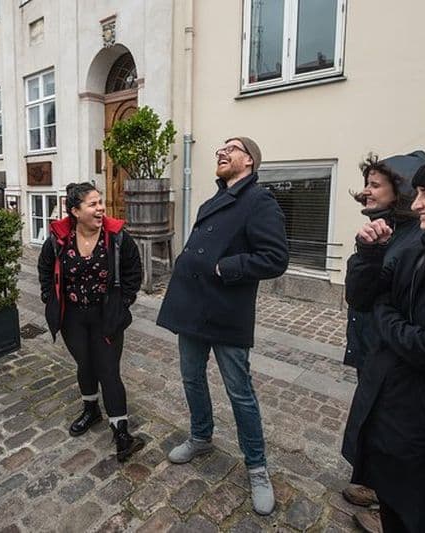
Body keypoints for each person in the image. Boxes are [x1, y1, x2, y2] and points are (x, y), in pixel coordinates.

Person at [343, 146, 425, 533]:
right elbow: (363, 297)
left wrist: (385, 311)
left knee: (419, 521)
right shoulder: (418, 246)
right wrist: (368, 254)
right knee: (390, 512)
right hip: (389, 414)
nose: (416, 205)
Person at [157, 136, 288, 516]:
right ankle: (201, 437)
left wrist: (224, 267)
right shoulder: (212, 200)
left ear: (248, 161)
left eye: (231, 148)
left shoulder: (259, 201)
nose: (221, 151)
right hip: (192, 308)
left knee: (240, 391)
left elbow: (275, 258)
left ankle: (257, 467)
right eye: (222, 148)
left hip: (226, 310)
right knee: (191, 378)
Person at [341, 151, 425, 531]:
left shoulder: (416, 237)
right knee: (373, 417)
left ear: (401, 189)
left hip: (392, 350)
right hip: (371, 344)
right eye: (366, 184)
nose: (366, 192)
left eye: (375, 185)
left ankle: (387, 502)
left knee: (389, 424)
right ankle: (377, 489)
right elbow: (359, 293)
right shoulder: (382, 225)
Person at [37, 182, 145, 462]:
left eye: (101, 203)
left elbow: (134, 271)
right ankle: (91, 410)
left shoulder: (118, 237)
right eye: (93, 204)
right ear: (75, 210)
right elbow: (45, 267)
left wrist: (123, 303)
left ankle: (121, 431)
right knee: (85, 364)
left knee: (108, 370)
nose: (100, 209)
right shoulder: (58, 238)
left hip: (106, 316)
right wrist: (49, 295)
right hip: (72, 316)